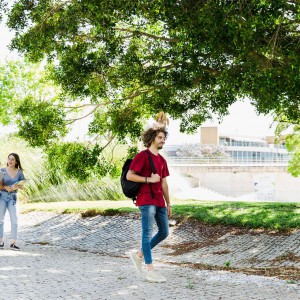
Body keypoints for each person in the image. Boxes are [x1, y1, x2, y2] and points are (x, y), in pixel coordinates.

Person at [127, 126, 172, 283]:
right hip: (146, 199)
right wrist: (148, 179)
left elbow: (164, 183)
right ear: (152, 138)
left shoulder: (162, 160)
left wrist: (169, 203)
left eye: (164, 138)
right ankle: (150, 270)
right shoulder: (142, 156)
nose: (163, 140)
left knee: (164, 232)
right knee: (147, 233)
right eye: (160, 138)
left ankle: (139, 255)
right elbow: (130, 175)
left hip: (159, 200)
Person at [0, 153, 25, 251]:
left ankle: (13, 243)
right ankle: (0, 242)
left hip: (12, 198)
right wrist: (5, 187)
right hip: (2, 196)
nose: (10, 161)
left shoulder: (19, 172)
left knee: (14, 220)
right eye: (9, 159)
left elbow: (22, 184)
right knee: (0, 219)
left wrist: (19, 186)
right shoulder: (2, 170)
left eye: (12, 159)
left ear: (16, 161)